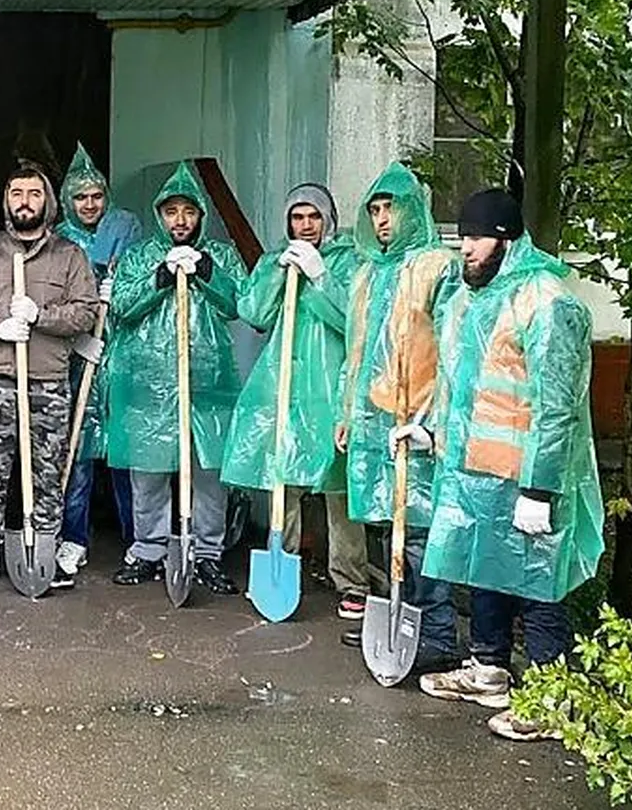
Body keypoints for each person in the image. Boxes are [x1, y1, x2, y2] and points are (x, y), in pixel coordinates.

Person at [417, 190, 605, 741]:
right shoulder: (472, 297)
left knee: (537, 578)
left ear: (504, 237)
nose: (465, 249)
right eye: (463, 238)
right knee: (485, 565)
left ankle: (552, 695)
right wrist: (429, 426)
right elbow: (460, 380)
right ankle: (489, 668)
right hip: (474, 470)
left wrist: (540, 490)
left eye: (475, 238)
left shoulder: (546, 301)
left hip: (528, 473)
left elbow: (558, 403)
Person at [223, 184, 370, 614]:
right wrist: (276, 274)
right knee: (282, 480)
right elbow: (253, 313)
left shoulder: (348, 264)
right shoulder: (276, 262)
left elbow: (353, 322)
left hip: (330, 391)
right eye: (296, 218)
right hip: (283, 389)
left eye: (313, 217)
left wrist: (320, 276)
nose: (305, 226)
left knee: (337, 488)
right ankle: (281, 565)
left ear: (329, 220)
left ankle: (352, 580)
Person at [336, 163, 461, 664]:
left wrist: (432, 419)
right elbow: (357, 350)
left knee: (422, 531)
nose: (383, 219)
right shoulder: (369, 273)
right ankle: (395, 615)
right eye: (375, 210)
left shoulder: (437, 266)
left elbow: (453, 351)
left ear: (413, 210)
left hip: (418, 420)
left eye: (391, 208)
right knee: (391, 524)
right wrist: (348, 412)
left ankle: (434, 632)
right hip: (374, 419)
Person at [0, 164, 98, 588]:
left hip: (48, 380)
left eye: (34, 193)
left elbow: (85, 310)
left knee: (47, 472)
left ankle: (44, 551)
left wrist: (42, 317)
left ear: (47, 202)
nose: (24, 201)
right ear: (7, 201)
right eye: (17, 192)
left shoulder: (70, 255)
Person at [102, 163, 243, 594]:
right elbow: (121, 306)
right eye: (171, 212)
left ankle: (207, 555)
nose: (180, 221)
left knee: (208, 475)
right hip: (149, 383)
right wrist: (160, 278)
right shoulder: (140, 256)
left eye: (188, 211)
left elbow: (240, 303)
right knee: (148, 473)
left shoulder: (220, 256)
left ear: (201, 214)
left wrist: (206, 273)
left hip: (208, 383)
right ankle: (149, 550)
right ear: (159, 215)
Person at [52, 143, 141, 581]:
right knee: (78, 451)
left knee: (126, 452)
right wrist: (78, 337)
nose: (90, 204)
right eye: (81, 197)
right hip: (76, 359)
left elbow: (144, 283)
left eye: (96, 196)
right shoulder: (60, 242)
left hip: (120, 355)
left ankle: (139, 541)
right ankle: (73, 538)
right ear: (69, 200)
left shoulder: (127, 230)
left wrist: (117, 299)